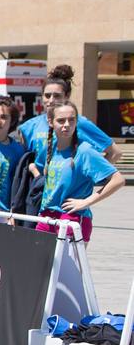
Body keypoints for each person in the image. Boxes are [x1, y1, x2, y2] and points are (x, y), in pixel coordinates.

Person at [37, 101, 124, 242]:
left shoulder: (85, 151)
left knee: (68, 265)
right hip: (46, 218)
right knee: (41, 264)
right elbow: (39, 169)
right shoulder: (48, 148)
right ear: (50, 122)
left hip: (72, 219)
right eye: (61, 120)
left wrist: (86, 202)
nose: (66, 125)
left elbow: (118, 180)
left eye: (71, 120)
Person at [22, 65, 120, 178]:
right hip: (39, 193)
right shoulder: (28, 127)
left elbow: (115, 153)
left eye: (57, 96)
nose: (51, 100)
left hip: (71, 194)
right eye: (47, 95)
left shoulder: (80, 123)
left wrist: (86, 179)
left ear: (67, 96)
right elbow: (24, 163)